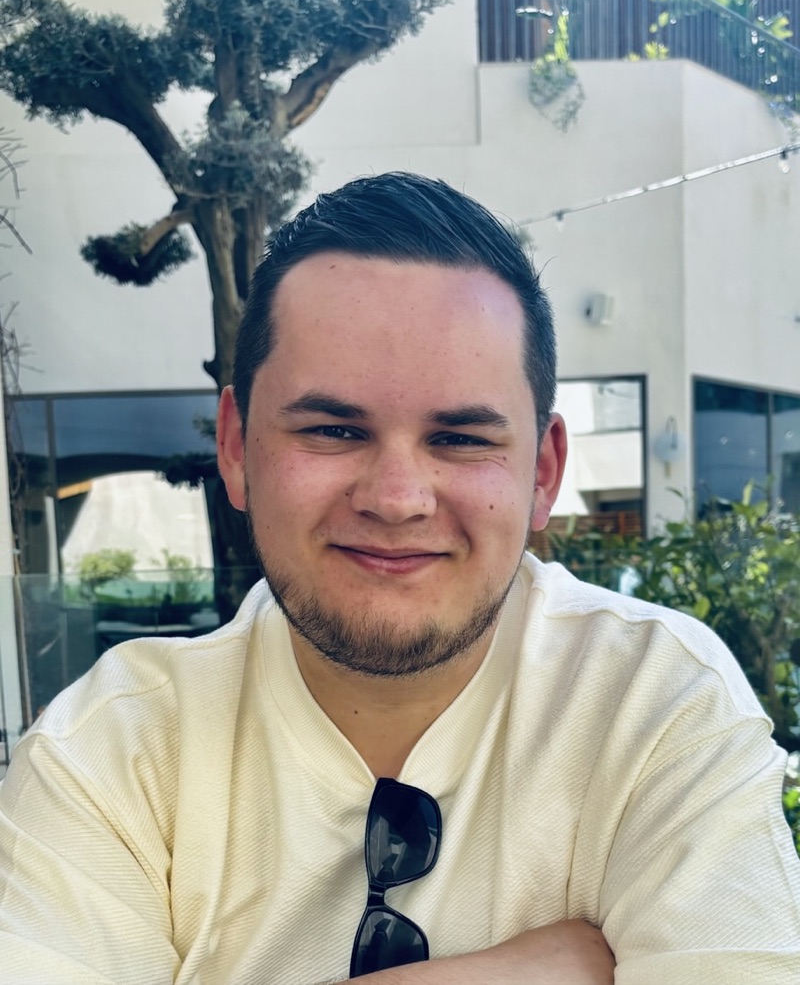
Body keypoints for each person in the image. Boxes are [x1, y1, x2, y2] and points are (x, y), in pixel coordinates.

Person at [0, 172, 798, 984]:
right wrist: (535, 971)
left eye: (461, 439)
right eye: (333, 429)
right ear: (236, 448)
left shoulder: (654, 702)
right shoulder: (110, 753)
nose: (396, 498)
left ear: (543, 472)